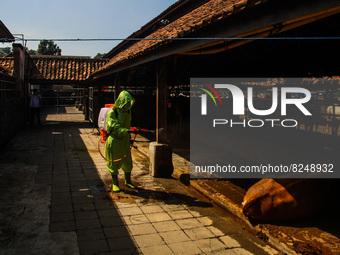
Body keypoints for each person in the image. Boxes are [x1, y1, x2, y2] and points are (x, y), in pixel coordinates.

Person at [105, 90, 137, 192]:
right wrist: (127, 130)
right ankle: (115, 183)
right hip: (114, 141)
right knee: (113, 163)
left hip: (125, 140)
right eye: (126, 103)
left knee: (127, 162)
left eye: (129, 103)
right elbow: (115, 127)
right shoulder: (112, 113)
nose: (128, 105)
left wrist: (131, 130)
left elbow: (127, 124)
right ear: (121, 101)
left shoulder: (128, 111)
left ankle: (128, 181)